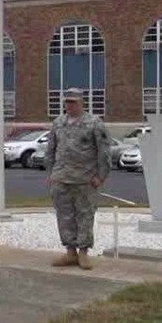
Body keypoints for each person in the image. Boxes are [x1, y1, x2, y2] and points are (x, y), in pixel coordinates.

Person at [43, 88, 111, 271]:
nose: (69, 105)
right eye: (67, 102)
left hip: (85, 180)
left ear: (82, 103)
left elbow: (104, 152)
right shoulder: (58, 123)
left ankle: (83, 253)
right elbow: (50, 150)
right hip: (61, 178)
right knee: (64, 217)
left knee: (85, 216)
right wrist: (50, 174)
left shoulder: (94, 123)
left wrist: (101, 176)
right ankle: (70, 251)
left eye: (73, 102)